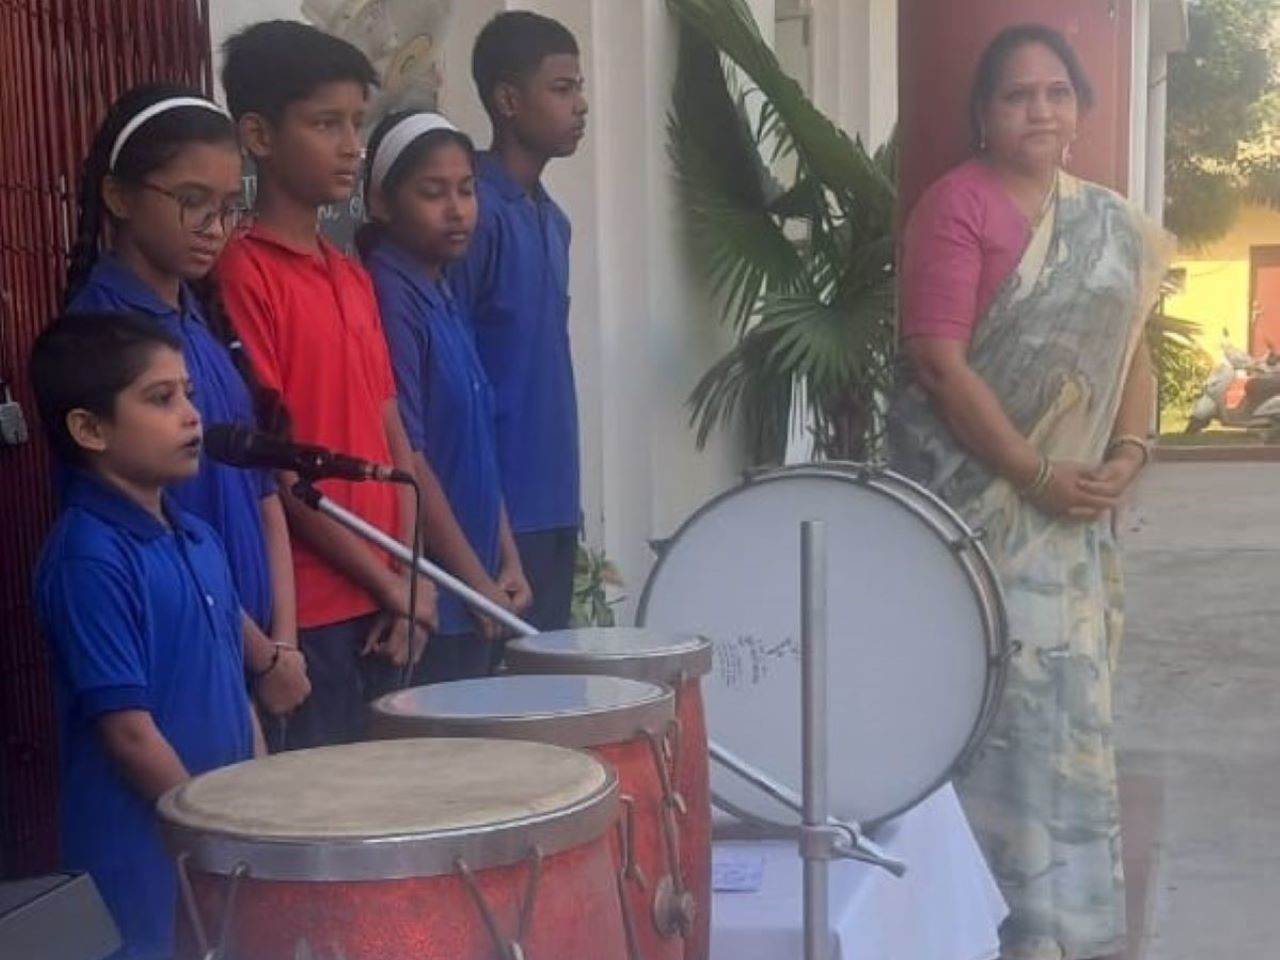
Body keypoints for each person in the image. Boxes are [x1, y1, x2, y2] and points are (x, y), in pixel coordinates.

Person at [888, 25, 1172, 960]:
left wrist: (1128, 451)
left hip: (1074, 522)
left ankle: (1067, 932)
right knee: (995, 722)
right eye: (1017, 95)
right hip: (980, 523)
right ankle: (982, 932)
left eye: (1057, 92)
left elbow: (1132, 350)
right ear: (983, 113)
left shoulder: (1110, 222)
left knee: (1069, 724)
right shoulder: (956, 206)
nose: (1040, 110)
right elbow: (937, 363)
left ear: (1081, 108)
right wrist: (1035, 472)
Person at [217, 21, 507, 744]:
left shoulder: (349, 275)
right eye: (325, 124)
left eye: (356, 123)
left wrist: (406, 577)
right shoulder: (242, 274)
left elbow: (395, 442)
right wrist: (391, 584)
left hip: (388, 604)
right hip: (314, 614)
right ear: (257, 134)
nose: (351, 146)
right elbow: (279, 470)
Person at [63, 83, 310, 727]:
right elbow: (161, 528)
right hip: (188, 651)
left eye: (229, 207)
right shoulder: (102, 336)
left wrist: (284, 641)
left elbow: (262, 495)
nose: (214, 227)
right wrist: (260, 657)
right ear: (119, 197)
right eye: (191, 201)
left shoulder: (200, 323)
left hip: (259, 652)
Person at [30, 311, 263, 959]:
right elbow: (128, 732)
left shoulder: (196, 537)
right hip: (142, 864)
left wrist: (263, 805)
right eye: (161, 399)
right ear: (89, 428)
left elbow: (234, 690)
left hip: (221, 853)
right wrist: (211, 829)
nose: (191, 415)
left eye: (188, 393)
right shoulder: (89, 556)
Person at [360, 109, 532, 681]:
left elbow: (478, 444)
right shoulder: (391, 292)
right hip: (442, 603)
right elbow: (410, 454)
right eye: (433, 193)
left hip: (479, 592)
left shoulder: (441, 286)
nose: (457, 210)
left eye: (466, 190)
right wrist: (475, 584)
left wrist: (506, 559)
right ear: (383, 203)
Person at [452, 11, 588, 656]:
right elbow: (448, 368)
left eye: (579, 88)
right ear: (508, 100)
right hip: (495, 510)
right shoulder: (469, 213)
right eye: (562, 89)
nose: (581, 105)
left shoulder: (553, 220)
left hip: (556, 496)